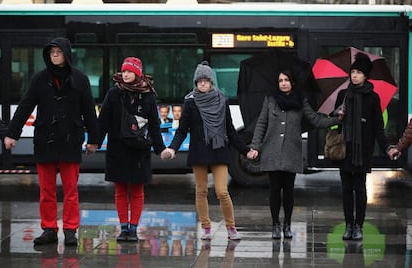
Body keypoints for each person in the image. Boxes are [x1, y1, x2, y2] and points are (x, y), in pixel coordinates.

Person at [4, 37, 98, 246]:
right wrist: (12, 134)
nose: (54, 55)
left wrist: (93, 139)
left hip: (70, 140)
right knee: (46, 191)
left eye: (58, 52)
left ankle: (71, 230)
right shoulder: (39, 79)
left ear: (67, 53)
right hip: (45, 140)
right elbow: (25, 106)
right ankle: (49, 229)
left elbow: (89, 111)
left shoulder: (80, 80)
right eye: (51, 52)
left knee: (71, 190)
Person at [161, 61, 249, 240]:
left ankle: (231, 227)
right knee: (201, 191)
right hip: (199, 152)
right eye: (199, 81)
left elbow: (230, 130)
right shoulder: (190, 102)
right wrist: (172, 149)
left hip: (219, 151)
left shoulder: (221, 100)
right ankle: (206, 227)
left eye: (205, 80)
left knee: (222, 192)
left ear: (211, 82)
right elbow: (182, 130)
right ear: (195, 83)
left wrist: (246, 150)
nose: (202, 83)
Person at [247, 69, 340, 240]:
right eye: (280, 80)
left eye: (287, 80)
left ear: (293, 83)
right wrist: (255, 147)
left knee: (288, 191)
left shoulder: (300, 101)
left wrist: (336, 119)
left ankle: (287, 225)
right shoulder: (270, 100)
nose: (283, 83)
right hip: (272, 151)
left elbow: (316, 120)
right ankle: (275, 224)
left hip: (291, 152)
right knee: (274, 190)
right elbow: (261, 123)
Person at [97, 57, 166, 242]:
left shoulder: (148, 96)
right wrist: (94, 142)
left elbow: (154, 125)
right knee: (120, 190)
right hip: (117, 149)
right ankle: (123, 228)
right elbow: (102, 121)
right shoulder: (113, 94)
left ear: (137, 73)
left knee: (137, 191)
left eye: (129, 71)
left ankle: (133, 228)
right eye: (124, 71)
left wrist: (160, 149)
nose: (125, 74)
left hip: (139, 150)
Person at [333, 53, 392, 241]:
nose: (355, 75)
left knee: (360, 189)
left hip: (362, 151)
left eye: (358, 72)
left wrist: (387, 148)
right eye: (353, 72)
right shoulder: (343, 95)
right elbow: (333, 123)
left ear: (366, 75)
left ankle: (359, 226)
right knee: (345, 189)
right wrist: (338, 116)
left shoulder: (373, 98)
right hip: (345, 149)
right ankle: (348, 225)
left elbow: (377, 128)